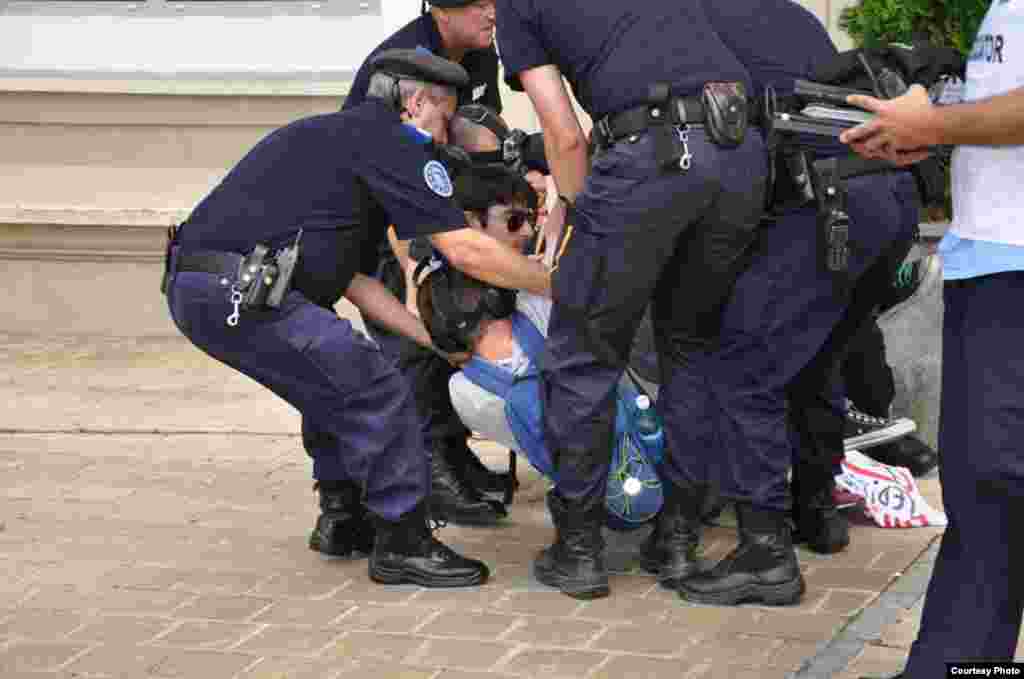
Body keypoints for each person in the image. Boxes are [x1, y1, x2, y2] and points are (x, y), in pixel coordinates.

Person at [163, 49, 549, 587]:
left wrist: (434, 342)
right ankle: (404, 542)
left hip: (209, 286)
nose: (446, 137)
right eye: (445, 118)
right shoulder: (396, 144)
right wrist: (560, 286)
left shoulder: (344, 141)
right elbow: (466, 250)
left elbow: (357, 283)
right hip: (239, 287)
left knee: (328, 381)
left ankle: (343, 519)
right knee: (374, 386)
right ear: (416, 104)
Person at [651, 0, 924, 607]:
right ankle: (816, 510)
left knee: (741, 361)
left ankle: (764, 552)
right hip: (887, 198)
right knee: (817, 355)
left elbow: (706, 137)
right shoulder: (792, 15)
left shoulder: (690, 24)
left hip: (826, 202)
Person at [495, 0, 769, 600]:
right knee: (690, 346)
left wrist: (572, 208)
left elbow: (564, 137)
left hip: (654, 153)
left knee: (585, 352)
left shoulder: (517, 7)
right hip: (740, 151)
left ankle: (580, 551)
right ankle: (676, 540)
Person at [840, 0, 1024, 674]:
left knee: (994, 492)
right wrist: (933, 132)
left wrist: (936, 123)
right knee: (986, 505)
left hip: (1014, 271)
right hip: (992, 264)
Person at [339, 1, 514, 523]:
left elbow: (479, 133)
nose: (493, 12)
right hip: (382, 222)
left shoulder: (476, 55)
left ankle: (453, 454)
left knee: (447, 335)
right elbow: (387, 167)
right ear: (440, 9)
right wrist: (416, 263)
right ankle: (427, 471)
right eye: (479, 3)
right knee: (412, 346)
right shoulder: (398, 66)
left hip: (434, 212)